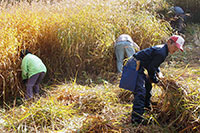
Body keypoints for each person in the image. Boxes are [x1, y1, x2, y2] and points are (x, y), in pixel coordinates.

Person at [119, 35, 185, 125]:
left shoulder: (163, 50)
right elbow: (151, 68)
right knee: (140, 92)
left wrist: (160, 75)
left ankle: (146, 109)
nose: (176, 49)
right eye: (175, 46)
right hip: (134, 65)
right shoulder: (161, 52)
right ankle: (136, 120)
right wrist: (156, 80)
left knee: (147, 86)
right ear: (169, 42)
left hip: (138, 65)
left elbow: (154, 65)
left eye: (178, 48)